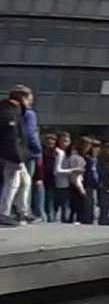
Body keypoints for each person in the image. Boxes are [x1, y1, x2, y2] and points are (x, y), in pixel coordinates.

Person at [0, 86, 33, 225]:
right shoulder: (9, 111)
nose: (30, 102)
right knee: (12, 182)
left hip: (14, 153)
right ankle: (3, 213)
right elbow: (10, 137)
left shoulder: (15, 111)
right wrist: (16, 158)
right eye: (29, 98)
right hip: (10, 154)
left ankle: (23, 212)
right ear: (22, 97)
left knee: (25, 181)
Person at [19, 86, 40, 221]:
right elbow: (30, 133)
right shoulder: (29, 114)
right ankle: (24, 212)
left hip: (11, 151)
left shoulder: (11, 112)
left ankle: (16, 210)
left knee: (13, 182)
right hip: (27, 153)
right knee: (25, 183)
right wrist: (37, 149)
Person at [65, 138, 91, 225]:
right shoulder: (76, 158)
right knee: (80, 208)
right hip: (77, 185)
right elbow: (76, 175)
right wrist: (81, 188)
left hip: (78, 184)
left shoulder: (81, 157)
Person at [52, 132, 77, 223]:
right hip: (60, 184)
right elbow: (56, 171)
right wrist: (72, 170)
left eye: (66, 141)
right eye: (62, 141)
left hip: (65, 183)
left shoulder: (65, 152)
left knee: (64, 206)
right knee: (62, 206)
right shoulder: (60, 152)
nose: (64, 143)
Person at [96, 142, 109, 226]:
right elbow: (101, 172)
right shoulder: (100, 160)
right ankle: (104, 226)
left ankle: (106, 223)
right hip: (103, 187)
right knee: (104, 210)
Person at [38, 133, 56, 221]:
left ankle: (51, 220)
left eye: (52, 143)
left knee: (50, 203)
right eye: (48, 143)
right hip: (42, 179)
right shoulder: (41, 153)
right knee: (41, 202)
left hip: (52, 181)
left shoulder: (56, 154)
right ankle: (45, 219)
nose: (50, 145)